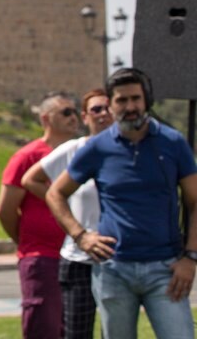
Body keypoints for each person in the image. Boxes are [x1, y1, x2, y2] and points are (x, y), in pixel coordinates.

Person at [47, 68, 197, 338]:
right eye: (122, 100)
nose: (130, 107)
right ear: (111, 104)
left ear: (146, 100)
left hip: (166, 268)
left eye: (136, 99)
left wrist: (191, 258)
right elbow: (55, 193)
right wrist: (81, 236)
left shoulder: (173, 143)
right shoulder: (98, 147)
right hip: (113, 270)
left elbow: (195, 201)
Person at [19, 88, 113, 339]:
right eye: (96, 109)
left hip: (115, 257)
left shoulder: (125, 149)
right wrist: (67, 213)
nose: (103, 114)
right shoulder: (74, 149)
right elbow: (30, 180)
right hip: (78, 257)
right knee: (76, 334)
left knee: (114, 332)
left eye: (108, 108)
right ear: (85, 116)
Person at [0, 91, 81, 338]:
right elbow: (5, 210)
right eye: (65, 112)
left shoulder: (79, 154)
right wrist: (26, 242)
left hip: (75, 257)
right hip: (42, 257)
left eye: (75, 111)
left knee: (72, 330)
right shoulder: (28, 156)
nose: (73, 117)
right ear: (45, 118)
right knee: (43, 327)